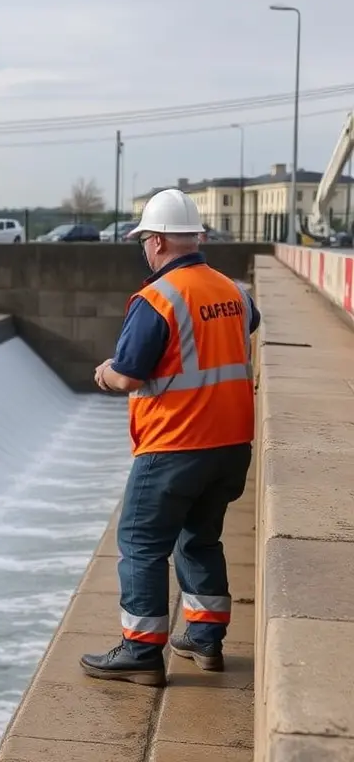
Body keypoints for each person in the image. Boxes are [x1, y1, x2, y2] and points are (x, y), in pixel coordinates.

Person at [79, 188, 260, 687]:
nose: (144, 249)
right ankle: (204, 639)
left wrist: (104, 373)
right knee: (200, 538)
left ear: (156, 242)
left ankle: (140, 650)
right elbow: (247, 327)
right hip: (231, 444)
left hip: (176, 444)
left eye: (144, 241)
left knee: (140, 542)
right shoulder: (233, 290)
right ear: (196, 237)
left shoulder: (156, 299)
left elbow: (131, 373)